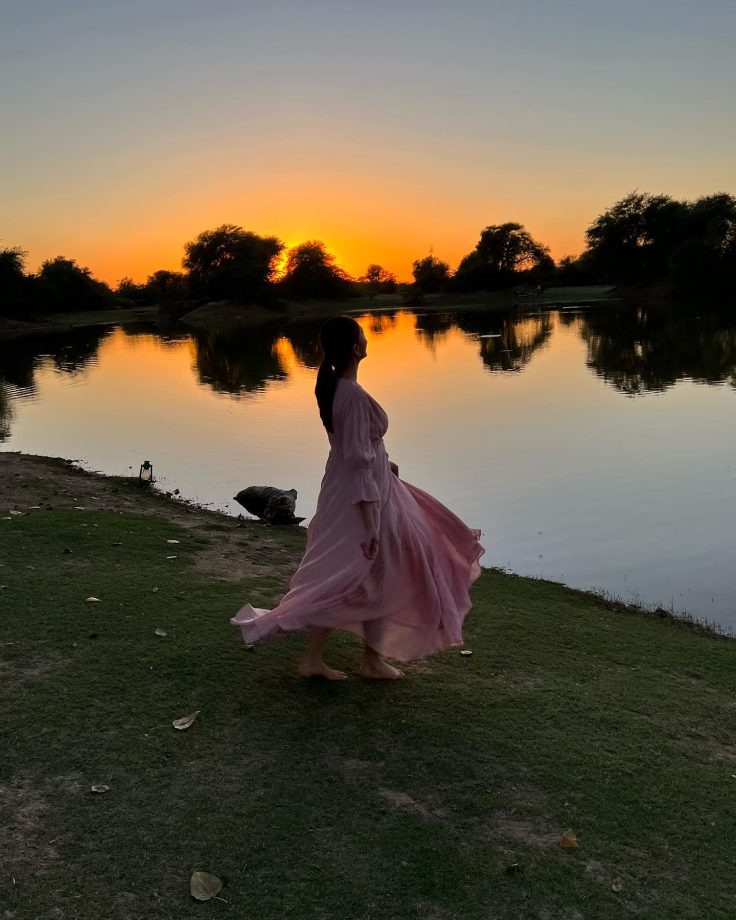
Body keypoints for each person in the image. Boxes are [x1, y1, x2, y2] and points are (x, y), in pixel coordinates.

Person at [230, 316, 484, 679]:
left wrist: (387, 463)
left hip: (366, 487)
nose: (367, 339)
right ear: (354, 347)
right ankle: (316, 660)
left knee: (383, 570)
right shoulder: (350, 396)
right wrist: (369, 523)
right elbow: (358, 461)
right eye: (362, 335)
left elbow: (357, 448)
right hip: (362, 498)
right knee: (342, 572)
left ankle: (371, 659)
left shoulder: (340, 391)